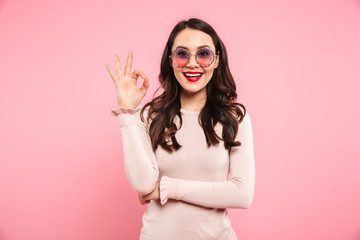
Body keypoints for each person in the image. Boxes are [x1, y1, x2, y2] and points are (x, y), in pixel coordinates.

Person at [105, 18, 255, 240]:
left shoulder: (235, 118)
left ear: (216, 61)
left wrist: (167, 188)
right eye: (182, 54)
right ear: (171, 61)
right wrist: (127, 113)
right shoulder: (151, 115)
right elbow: (143, 185)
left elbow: (242, 195)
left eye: (203, 54)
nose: (193, 63)